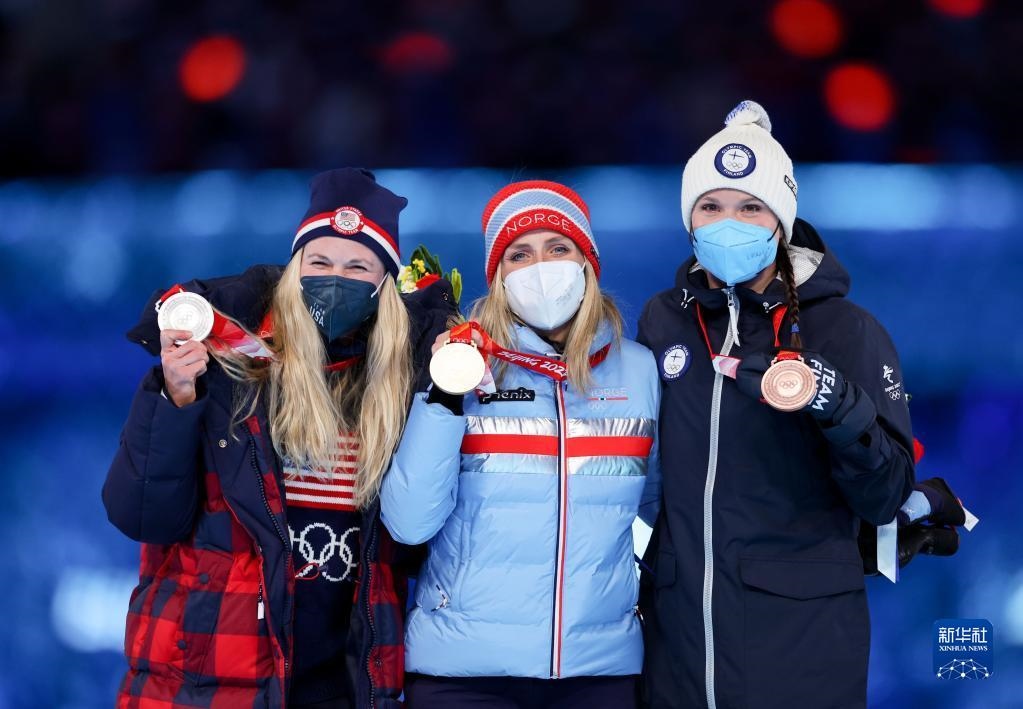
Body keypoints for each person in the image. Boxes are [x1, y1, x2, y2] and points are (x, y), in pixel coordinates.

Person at [102, 168, 455, 709]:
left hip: (342, 685)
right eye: (319, 262)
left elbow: (417, 547)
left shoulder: (404, 388)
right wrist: (175, 399)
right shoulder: (223, 372)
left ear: (385, 285)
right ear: (294, 270)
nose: (335, 278)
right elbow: (144, 516)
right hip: (209, 684)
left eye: (357, 266)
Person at [637, 101, 917, 709]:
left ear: (781, 221)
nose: (727, 222)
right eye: (710, 206)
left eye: (750, 207)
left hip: (801, 648)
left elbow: (886, 494)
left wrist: (834, 404)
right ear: (689, 219)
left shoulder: (845, 330)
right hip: (680, 649)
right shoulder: (663, 321)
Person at [379, 180, 661, 708]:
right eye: (520, 255)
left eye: (558, 248)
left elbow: (666, 510)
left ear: (587, 264)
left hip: (599, 671)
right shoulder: (463, 364)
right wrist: (445, 391)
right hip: (463, 673)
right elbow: (409, 521)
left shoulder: (640, 371)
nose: (541, 268)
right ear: (498, 277)